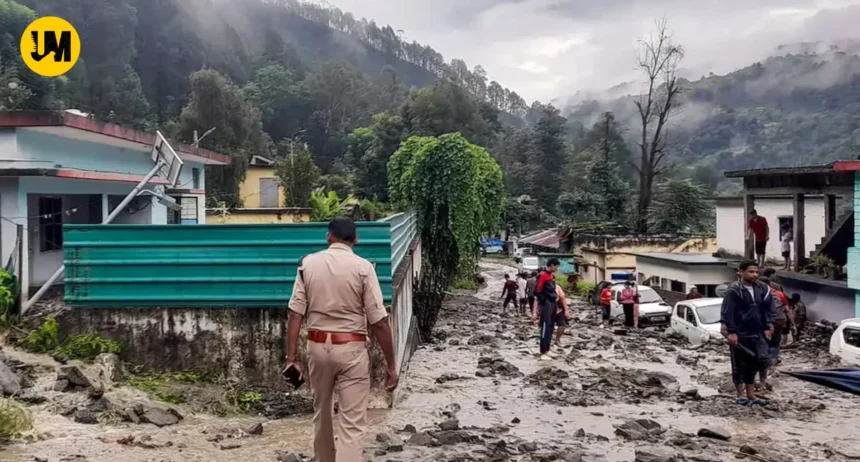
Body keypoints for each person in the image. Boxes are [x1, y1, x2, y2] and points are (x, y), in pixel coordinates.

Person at [286, 218, 398, 462]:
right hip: (351, 349)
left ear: (328, 236)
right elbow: (379, 321)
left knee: (322, 415)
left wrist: (292, 358)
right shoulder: (364, 268)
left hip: (317, 347)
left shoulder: (307, 264)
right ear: (355, 240)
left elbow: (295, 314)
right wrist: (391, 365)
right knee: (352, 423)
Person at [720, 260, 776, 406]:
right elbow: (728, 312)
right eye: (751, 272)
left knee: (755, 362)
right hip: (739, 332)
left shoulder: (762, 288)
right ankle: (740, 395)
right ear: (741, 272)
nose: (755, 275)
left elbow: (769, 308)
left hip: (757, 331)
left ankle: (751, 393)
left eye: (756, 272)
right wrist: (731, 332)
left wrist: (768, 325)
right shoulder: (734, 290)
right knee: (738, 363)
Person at [532, 258, 561, 361]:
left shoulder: (551, 276)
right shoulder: (542, 275)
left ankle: (547, 349)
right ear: (552, 265)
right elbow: (537, 291)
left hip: (553, 303)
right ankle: (542, 351)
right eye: (557, 266)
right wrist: (544, 302)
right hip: (546, 304)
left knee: (551, 327)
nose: (557, 268)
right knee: (545, 326)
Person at [554, 283, 571, 348]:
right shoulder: (542, 287)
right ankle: (547, 342)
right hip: (548, 311)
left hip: (559, 310)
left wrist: (566, 310)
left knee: (562, 325)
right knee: (548, 327)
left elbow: (563, 298)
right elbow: (537, 299)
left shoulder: (557, 287)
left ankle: (557, 339)